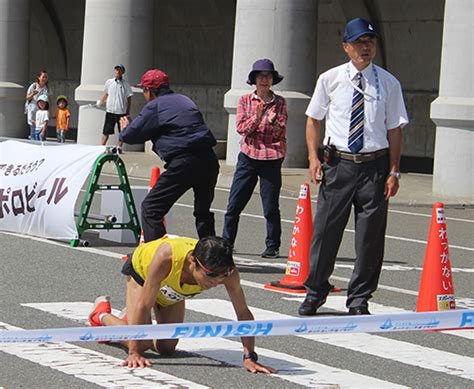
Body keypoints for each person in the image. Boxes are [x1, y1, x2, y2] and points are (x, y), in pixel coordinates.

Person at [298, 18, 408, 316]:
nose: (365, 47)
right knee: (325, 232)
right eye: (359, 42)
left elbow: (395, 129)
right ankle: (315, 291)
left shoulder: (388, 83)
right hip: (339, 165)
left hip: (375, 166)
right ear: (346, 47)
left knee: (370, 236)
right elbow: (313, 119)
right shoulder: (330, 79)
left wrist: (394, 170)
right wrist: (312, 157)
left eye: (370, 42)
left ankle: (359, 299)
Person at [88, 235, 276, 374]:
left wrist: (249, 356)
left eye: (223, 275)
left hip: (173, 289)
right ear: (193, 261)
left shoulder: (228, 273)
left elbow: (243, 313)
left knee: (167, 347)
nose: (217, 281)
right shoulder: (166, 257)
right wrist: (134, 351)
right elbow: (144, 304)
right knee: (142, 342)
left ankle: (130, 322)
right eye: (211, 275)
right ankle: (101, 315)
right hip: (143, 275)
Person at [119, 69, 219, 242]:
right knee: (202, 212)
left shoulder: (155, 106)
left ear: (149, 91)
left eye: (144, 90)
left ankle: (156, 255)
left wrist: (125, 127)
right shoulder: (184, 99)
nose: (144, 94)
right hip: (209, 160)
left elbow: (131, 136)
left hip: (185, 162)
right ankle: (212, 257)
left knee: (151, 208)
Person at [222, 59, 287, 258]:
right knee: (234, 204)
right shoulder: (244, 100)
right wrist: (257, 118)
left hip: (272, 157)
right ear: (254, 80)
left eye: (268, 76)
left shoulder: (280, 102)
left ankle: (272, 245)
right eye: (260, 76)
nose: (264, 80)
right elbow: (242, 129)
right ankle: (226, 243)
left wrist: (273, 122)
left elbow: (279, 134)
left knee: (270, 206)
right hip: (249, 156)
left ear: (273, 80)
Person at [98, 64, 133, 153]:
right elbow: (106, 93)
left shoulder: (126, 84)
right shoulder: (109, 82)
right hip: (110, 111)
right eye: (116, 69)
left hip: (121, 111)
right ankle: (101, 147)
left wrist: (128, 112)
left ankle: (119, 147)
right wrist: (101, 101)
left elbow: (129, 98)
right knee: (106, 131)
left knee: (122, 131)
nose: (117, 71)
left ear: (122, 72)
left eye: (119, 70)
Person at [25, 70, 51, 140]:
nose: (45, 79)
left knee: (42, 125)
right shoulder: (33, 86)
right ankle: (33, 140)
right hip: (33, 109)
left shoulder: (47, 88)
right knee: (33, 127)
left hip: (42, 110)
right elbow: (27, 98)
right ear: (39, 77)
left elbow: (48, 100)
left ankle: (42, 141)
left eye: (46, 77)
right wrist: (33, 94)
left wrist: (49, 110)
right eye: (43, 77)